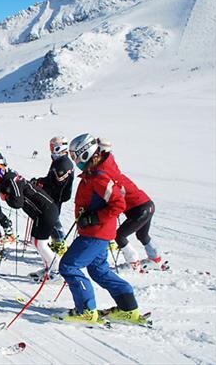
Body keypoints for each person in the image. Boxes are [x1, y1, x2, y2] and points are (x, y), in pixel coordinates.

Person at [58, 133, 141, 324]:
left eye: (74, 156)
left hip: (95, 234)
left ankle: (86, 310)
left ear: (85, 153)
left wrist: (94, 217)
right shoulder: (91, 176)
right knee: (98, 270)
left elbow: (119, 204)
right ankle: (128, 307)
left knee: (69, 266)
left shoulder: (99, 178)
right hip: (95, 232)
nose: (74, 160)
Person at [97, 138, 163, 271]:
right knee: (142, 235)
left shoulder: (105, 169)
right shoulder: (111, 165)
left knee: (119, 235)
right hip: (147, 204)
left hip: (140, 208)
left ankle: (132, 263)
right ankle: (155, 258)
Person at [0, 163, 60, 281]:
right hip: (41, 213)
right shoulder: (8, 181)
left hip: (46, 211)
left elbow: (17, 202)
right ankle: (49, 267)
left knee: (39, 243)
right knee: (35, 242)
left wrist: (6, 197)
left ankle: (56, 270)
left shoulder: (10, 180)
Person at [34, 136, 75, 255]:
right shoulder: (58, 160)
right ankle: (57, 241)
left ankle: (59, 243)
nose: (51, 149)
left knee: (52, 219)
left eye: (53, 146)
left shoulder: (63, 163)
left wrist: (43, 185)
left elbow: (57, 183)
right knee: (52, 218)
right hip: (54, 194)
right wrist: (41, 181)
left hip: (58, 195)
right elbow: (51, 178)